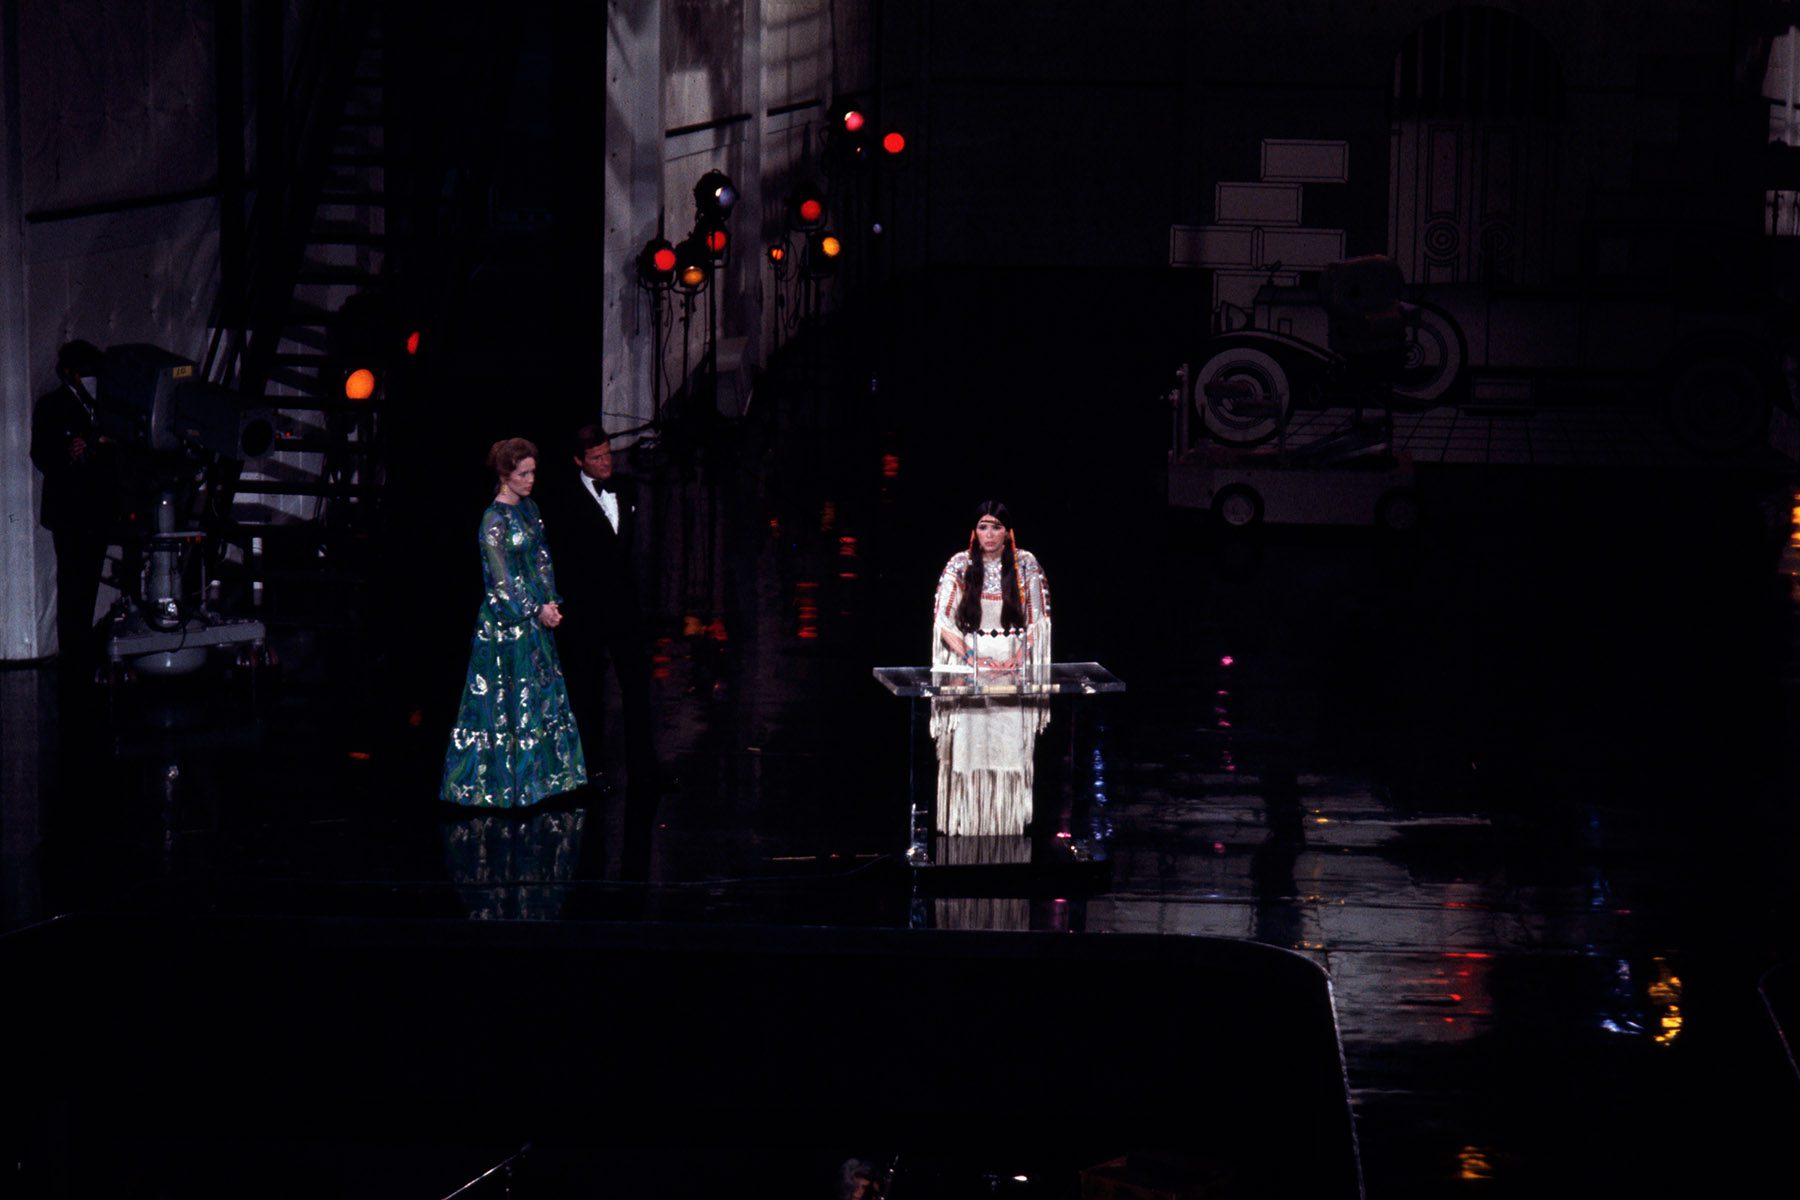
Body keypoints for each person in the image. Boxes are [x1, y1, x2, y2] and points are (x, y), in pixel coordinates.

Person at [440, 438, 587, 808]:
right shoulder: (492, 519)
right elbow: (499, 579)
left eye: (533, 472)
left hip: (537, 616)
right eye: (524, 473)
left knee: (541, 699)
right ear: (505, 476)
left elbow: (542, 558)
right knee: (503, 702)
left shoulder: (530, 508)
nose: (531, 479)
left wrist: (551, 601)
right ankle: (500, 785)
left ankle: (545, 781)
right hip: (506, 623)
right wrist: (534, 609)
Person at [539, 424, 658, 802]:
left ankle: (645, 769)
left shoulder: (628, 488)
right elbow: (562, 560)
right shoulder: (564, 501)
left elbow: (638, 552)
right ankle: (589, 771)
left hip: (625, 610)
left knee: (637, 688)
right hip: (587, 613)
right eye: (596, 458)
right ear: (579, 461)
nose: (606, 462)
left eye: (608, 454)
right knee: (587, 693)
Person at [929, 500, 1052, 837]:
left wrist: (1019, 657)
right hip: (970, 668)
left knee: (1008, 750)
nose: (989, 534)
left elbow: (1039, 620)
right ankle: (968, 825)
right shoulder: (959, 564)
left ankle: (1007, 825)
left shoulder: (1026, 565)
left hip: (1011, 670)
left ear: (1007, 532)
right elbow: (943, 619)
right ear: (974, 531)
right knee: (969, 750)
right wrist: (972, 660)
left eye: (996, 526)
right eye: (983, 526)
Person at [30, 340, 114, 671]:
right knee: (72, 583)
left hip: (97, 507)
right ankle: (73, 653)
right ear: (69, 374)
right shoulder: (52, 406)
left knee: (88, 579)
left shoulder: (102, 406)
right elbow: (41, 455)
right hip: (69, 510)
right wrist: (68, 452)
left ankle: (81, 650)